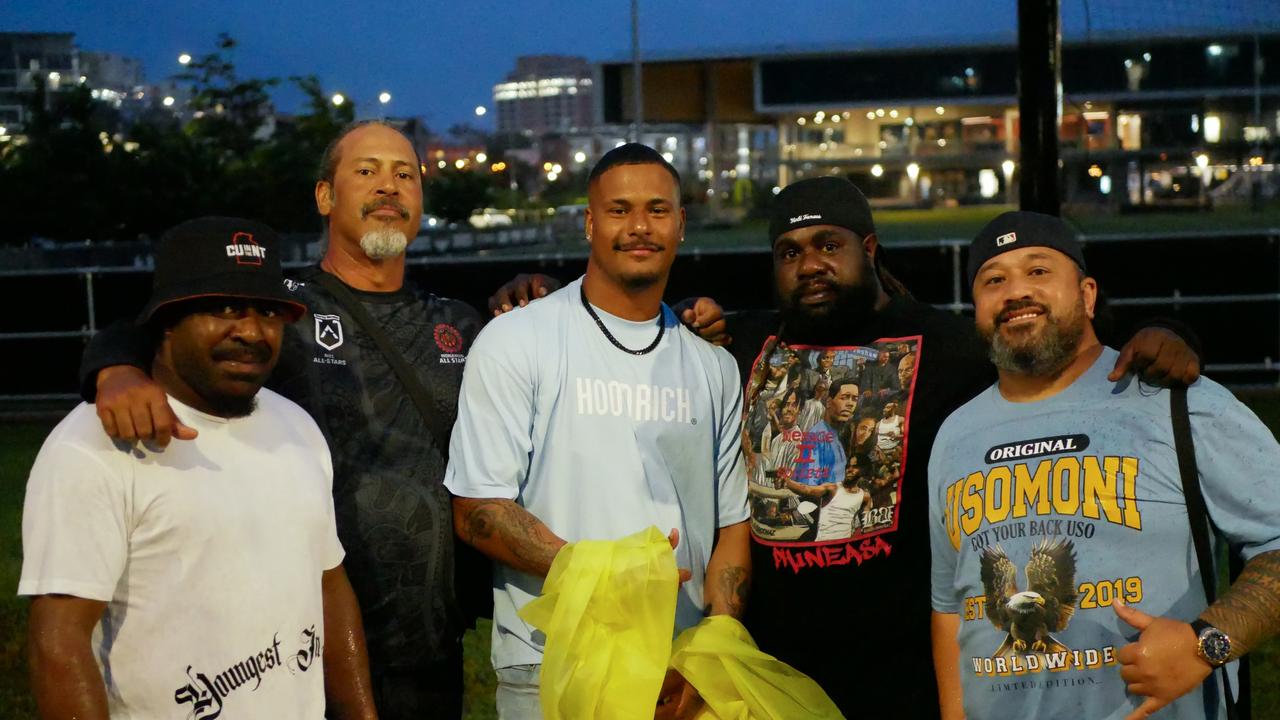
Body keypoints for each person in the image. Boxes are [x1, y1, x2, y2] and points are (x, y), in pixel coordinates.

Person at [720, 176, 1203, 718]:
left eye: (829, 245)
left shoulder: (950, 346)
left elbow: (1061, 343)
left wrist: (1167, 330)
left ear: (870, 249)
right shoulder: (741, 345)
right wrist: (693, 311)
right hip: (772, 676)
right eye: (790, 252)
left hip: (906, 680)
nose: (810, 265)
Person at [77, 121, 488, 718]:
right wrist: (115, 368)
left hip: (429, 644)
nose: (388, 188)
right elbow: (151, 326)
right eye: (366, 172)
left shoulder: (456, 321)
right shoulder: (282, 308)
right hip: (296, 640)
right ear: (325, 197)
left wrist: (528, 290)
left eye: (405, 175)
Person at [928, 211, 1280, 719]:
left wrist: (1206, 645)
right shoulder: (954, 435)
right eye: (994, 280)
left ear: (1088, 295)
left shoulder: (1175, 402)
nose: (1015, 291)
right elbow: (950, 609)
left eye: (1039, 271)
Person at [21, 217, 375, 719]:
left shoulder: (296, 426)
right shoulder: (93, 445)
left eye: (268, 312)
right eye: (225, 309)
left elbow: (329, 585)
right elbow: (58, 640)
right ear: (167, 319)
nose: (251, 332)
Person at [444, 144, 750, 720]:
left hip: (679, 674)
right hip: (554, 665)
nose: (640, 226)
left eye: (658, 210)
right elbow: (477, 510)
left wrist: (714, 650)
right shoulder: (518, 341)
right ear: (589, 222)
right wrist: (604, 573)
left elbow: (732, 524)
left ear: (681, 224)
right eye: (619, 210)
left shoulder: (713, 366)